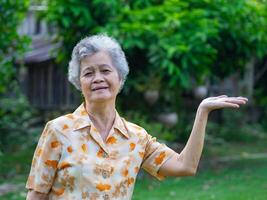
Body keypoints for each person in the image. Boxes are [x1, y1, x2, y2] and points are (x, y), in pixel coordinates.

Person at [26, 34, 248, 200]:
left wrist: (202, 112)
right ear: (79, 82)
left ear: (120, 78)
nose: (97, 78)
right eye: (88, 73)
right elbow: (36, 196)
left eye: (105, 70)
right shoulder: (58, 130)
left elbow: (185, 166)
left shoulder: (136, 138)